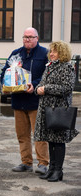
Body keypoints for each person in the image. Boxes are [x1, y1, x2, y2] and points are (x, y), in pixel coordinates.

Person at [0, 27, 49, 174]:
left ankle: (43, 163)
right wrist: (6, 84)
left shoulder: (44, 54)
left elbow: (47, 75)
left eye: (31, 37)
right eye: (25, 37)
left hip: (36, 101)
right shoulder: (16, 54)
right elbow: (5, 72)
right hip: (19, 100)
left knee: (39, 134)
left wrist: (34, 84)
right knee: (22, 134)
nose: (27, 39)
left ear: (37, 38)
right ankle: (26, 162)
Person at [34, 41, 79, 182]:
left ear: (62, 53)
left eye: (55, 51)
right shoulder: (50, 66)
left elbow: (66, 88)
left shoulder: (67, 67)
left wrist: (46, 89)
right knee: (50, 141)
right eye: (51, 51)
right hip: (47, 109)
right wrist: (38, 89)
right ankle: (52, 169)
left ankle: (58, 171)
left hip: (58, 110)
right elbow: (41, 83)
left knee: (58, 142)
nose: (51, 54)